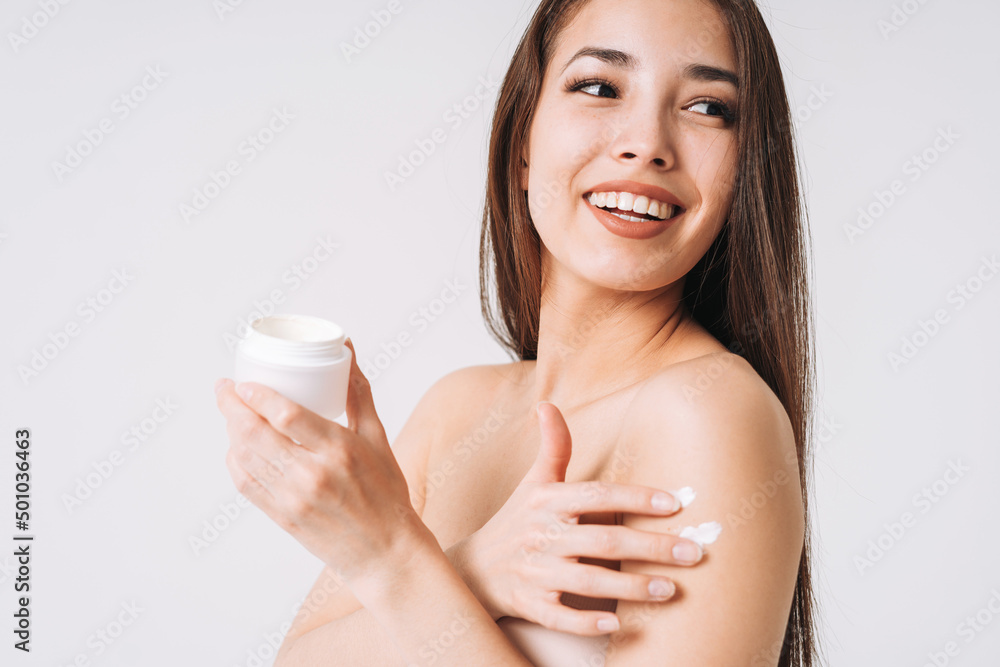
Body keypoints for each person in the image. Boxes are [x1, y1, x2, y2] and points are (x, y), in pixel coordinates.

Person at [214, 0, 820, 664]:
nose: (647, 142)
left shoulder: (707, 412)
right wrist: (472, 568)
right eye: (600, 87)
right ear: (523, 143)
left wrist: (391, 555)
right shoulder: (457, 408)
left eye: (707, 107)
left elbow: (387, 581)